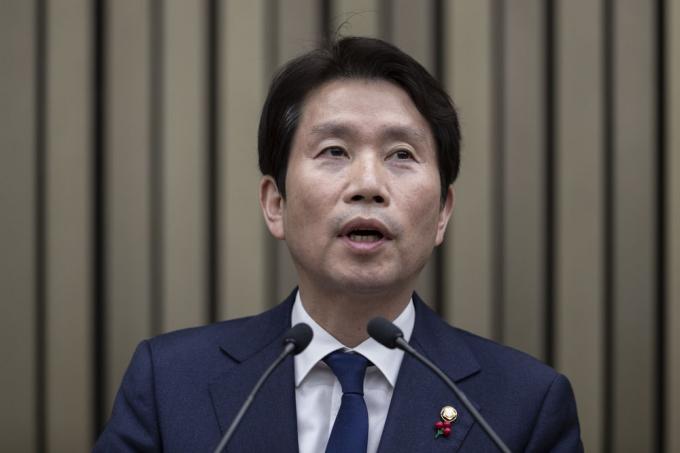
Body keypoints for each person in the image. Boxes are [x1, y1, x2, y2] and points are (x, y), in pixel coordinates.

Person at [94, 37, 583, 452]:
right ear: (275, 203)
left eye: (401, 154)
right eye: (334, 151)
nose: (367, 184)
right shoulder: (170, 383)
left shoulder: (524, 406)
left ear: (442, 213)